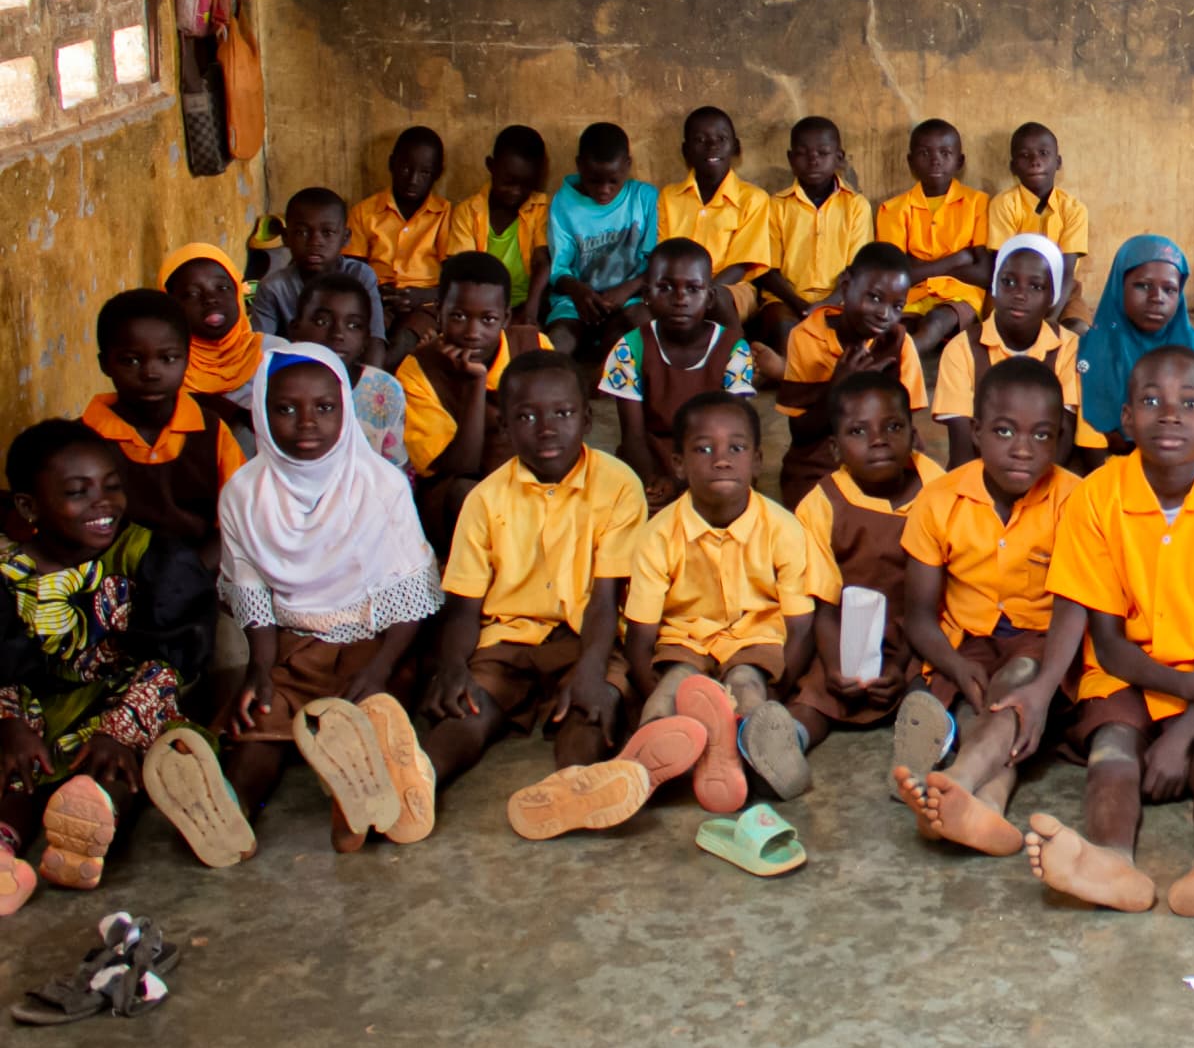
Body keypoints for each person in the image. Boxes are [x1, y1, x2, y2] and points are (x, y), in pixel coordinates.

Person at [1023, 345, 1194, 918]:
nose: (1169, 415)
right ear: (1126, 419)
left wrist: (1185, 728)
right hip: (1130, 672)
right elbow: (1112, 647)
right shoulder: (1097, 496)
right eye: (1150, 401)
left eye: (1189, 403)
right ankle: (1109, 861)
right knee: (1112, 751)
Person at [420, 353, 685, 838]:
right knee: (469, 705)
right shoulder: (485, 498)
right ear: (504, 425)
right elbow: (463, 604)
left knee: (592, 704)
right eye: (526, 416)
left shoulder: (618, 486)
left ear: (586, 418)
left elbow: (606, 596)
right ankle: (419, 781)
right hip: (508, 636)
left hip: (590, 635)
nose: (546, 428)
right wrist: (453, 666)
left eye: (562, 414)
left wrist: (589, 671)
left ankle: (572, 786)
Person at [216, 346, 442, 851]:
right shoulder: (243, 493)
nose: (306, 422)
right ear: (261, 413)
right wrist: (259, 669)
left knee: (375, 713)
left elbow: (409, 597)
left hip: (372, 643)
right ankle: (229, 809)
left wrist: (380, 667)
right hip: (291, 646)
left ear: (345, 407)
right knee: (260, 725)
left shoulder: (378, 485)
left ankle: (355, 798)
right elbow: (251, 589)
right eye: (285, 408)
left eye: (324, 407)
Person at [1, 420, 223, 908]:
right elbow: (3, 660)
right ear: (28, 506)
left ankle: (87, 832)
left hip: (129, 696)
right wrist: (13, 723)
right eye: (78, 493)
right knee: (17, 765)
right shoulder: (8, 571)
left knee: (120, 766)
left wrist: (118, 730)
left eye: (112, 487)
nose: (102, 504)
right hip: (35, 704)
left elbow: (172, 658)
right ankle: (5, 848)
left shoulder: (147, 554)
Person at [890, 357, 1083, 856]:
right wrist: (952, 661)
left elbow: (1071, 608)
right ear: (975, 432)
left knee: (1018, 685)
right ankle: (988, 805)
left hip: (1041, 644)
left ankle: (956, 780)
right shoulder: (939, 500)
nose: (1022, 449)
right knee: (969, 697)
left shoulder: (1075, 502)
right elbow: (918, 614)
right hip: (964, 644)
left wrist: (1043, 685)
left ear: (1061, 438)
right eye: (1003, 431)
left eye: (1042, 435)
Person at [624, 392, 819, 813]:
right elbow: (640, 634)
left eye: (736, 447)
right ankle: (636, 772)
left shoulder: (784, 529)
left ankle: (749, 750)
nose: (722, 459)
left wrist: (780, 690)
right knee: (670, 693)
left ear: (757, 460)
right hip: (684, 640)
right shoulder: (657, 535)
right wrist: (650, 692)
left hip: (756, 638)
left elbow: (801, 625)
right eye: (703, 448)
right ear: (678, 464)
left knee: (748, 687)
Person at [783, 371, 942, 770]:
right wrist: (838, 666)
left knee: (930, 687)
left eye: (893, 427)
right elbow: (822, 602)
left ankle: (919, 755)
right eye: (859, 431)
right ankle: (787, 743)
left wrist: (901, 661)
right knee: (817, 691)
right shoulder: (820, 505)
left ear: (913, 433)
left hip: (921, 629)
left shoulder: (938, 489)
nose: (878, 440)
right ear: (835, 449)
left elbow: (944, 591)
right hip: (846, 634)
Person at [81, 290, 242, 560]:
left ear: (187, 358)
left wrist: (191, 578)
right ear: (104, 364)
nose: (151, 373)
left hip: (202, 572)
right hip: (111, 582)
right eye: (131, 360)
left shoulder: (211, 431)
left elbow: (238, 522)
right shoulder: (84, 439)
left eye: (167, 358)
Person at [601, 240, 758, 512]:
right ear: (647, 295)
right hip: (651, 456)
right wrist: (653, 480)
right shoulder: (629, 348)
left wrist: (684, 482)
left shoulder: (734, 349)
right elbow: (633, 435)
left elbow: (734, 432)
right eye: (665, 288)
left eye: (693, 289)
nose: (680, 298)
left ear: (709, 297)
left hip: (712, 456)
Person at [775, 241, 928, 505]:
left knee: (925, 496)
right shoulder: (806, 336)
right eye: (875, 298)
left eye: (898, 306)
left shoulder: (899, 343)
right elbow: (801, 432)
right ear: (846, 286)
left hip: (884, 450)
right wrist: (838, 386)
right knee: (813, 505)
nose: (884, 314)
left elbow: (905, 425)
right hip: (822, 454)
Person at [1072, 236, 1194, 458]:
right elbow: (1092, 451)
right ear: (1119, 287)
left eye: (1170, 289)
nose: (1157, 298)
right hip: (1115, 484)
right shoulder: (1091, 355)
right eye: (1143, 286)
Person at [398, 253, 524, 549]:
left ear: (506, 318)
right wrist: (475, 386)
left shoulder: (532, 347)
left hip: (526, 483)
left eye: (488, 319)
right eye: (458, 316)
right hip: (456, 498)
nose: (472, 333)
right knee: (468, 496)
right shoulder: (417, 371)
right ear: (439, 312)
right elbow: (462, 466)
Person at [935, 234, 1081, 468]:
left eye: (1036, 286)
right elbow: (962, 451)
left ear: (1051, 297)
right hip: (977, 479)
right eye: (1008, 282)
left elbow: (1063, 438)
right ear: (994, 286)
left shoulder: (1069, 348)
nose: (1020, 294)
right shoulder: (961, 350)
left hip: (1046, 479)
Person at [875, 118, 992, 361]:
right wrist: (958, 260)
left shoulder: (978, 204)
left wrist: (919, 267)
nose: (935, 159)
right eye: (924, 153)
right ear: (910, 161)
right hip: (908, 298)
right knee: (891, 330)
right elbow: (894, 276)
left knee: (936, 322)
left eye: (945, 152)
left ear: (960, 161)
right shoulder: (893, 209)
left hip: (959, 296)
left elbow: (983, 275)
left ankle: (892, 363)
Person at [756, 115, 874, 348]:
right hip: (786, 300)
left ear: (839, 158)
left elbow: (857, 270)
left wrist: (826, 304)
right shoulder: (776, 205)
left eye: (823, 153)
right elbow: (767, 270)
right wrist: (799, 303)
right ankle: (791, 378)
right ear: (791, 159)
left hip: (840, 299)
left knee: (855, 332)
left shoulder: (856, 206)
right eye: (803, 153)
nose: (813, 161)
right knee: (784, 328)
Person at [544, 122, 659, 360]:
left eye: (613, 181)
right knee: (558, 342)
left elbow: (657, 262)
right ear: (579, 166)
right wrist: (580, 291)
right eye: (594, 180)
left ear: (627, 165)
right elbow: (559, 270)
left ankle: (601, 363)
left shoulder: (644, 198)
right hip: (577, 302)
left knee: (646, 328)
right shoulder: (563, 203)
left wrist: (628, 288)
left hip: (631, 299)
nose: (604, 190)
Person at [656, 104, 774, 333]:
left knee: (717, 301)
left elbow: (741, 264)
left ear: (736, 147)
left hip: (731, 286)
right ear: (685, 151)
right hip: (675, 286)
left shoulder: (753, 199)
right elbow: (664, 254)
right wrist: (685, 291)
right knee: (647, 310)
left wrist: (701, 292)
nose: (712, 146)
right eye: (700, 140)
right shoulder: (669, 197)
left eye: (721, 138)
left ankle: (738, 362)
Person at [346, 125, 452, 359]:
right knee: (368, 339)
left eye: (424, 172)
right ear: (391, 164)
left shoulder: (445, 214)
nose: (413, 179)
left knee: (403, 343)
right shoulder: (364, 212)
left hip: (426, 303)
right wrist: (374, 294)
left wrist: (422, 296)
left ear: (438, 173)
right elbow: (352, 269)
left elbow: (455, 277)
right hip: (376, 300)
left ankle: (384, 391)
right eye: (405, 168)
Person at [287, 274, 409, 468]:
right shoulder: (280, 387)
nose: (338, 334)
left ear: (366, 338)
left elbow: (395, 468)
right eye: (322, 322)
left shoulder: (384, 389)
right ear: (295, 329)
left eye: (353, 325)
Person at [248, 186, 387, 351]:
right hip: (297, 369)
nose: (315, 242)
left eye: (327, 232)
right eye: (302, 232)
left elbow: (375, 340)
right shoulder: (273, 287)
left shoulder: (360, 276)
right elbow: (259, 350)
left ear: (345, 238)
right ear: (286, 238)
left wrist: (371, 376)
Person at [440, 124, 552, 328]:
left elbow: (542, 262)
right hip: (480, 307)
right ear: (491, 166)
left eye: (526, 184)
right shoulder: (468, 212)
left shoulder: (540, 209)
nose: (516, 191)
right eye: (508, 182)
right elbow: (462, 271)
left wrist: (530, 309)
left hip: (527, 305)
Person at [988, 122, 1093, 328]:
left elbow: (1067, 271)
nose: (1035, 162)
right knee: (1005, 332)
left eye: (1044, 153)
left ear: (1058, 162)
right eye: (1025, 156)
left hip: (1063, 288)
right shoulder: (1004, 204)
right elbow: (1001, 265)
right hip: (1014, 286)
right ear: (1013, 166)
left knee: (1078, 331)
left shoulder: (1073, 209)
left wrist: (1049, 319)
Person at [159, 243, 264, 425]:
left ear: (237, 292)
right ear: (170, 306)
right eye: (191, 293)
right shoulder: (164, 371)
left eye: (222, 288)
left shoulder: (274, 356)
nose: (210, 299)